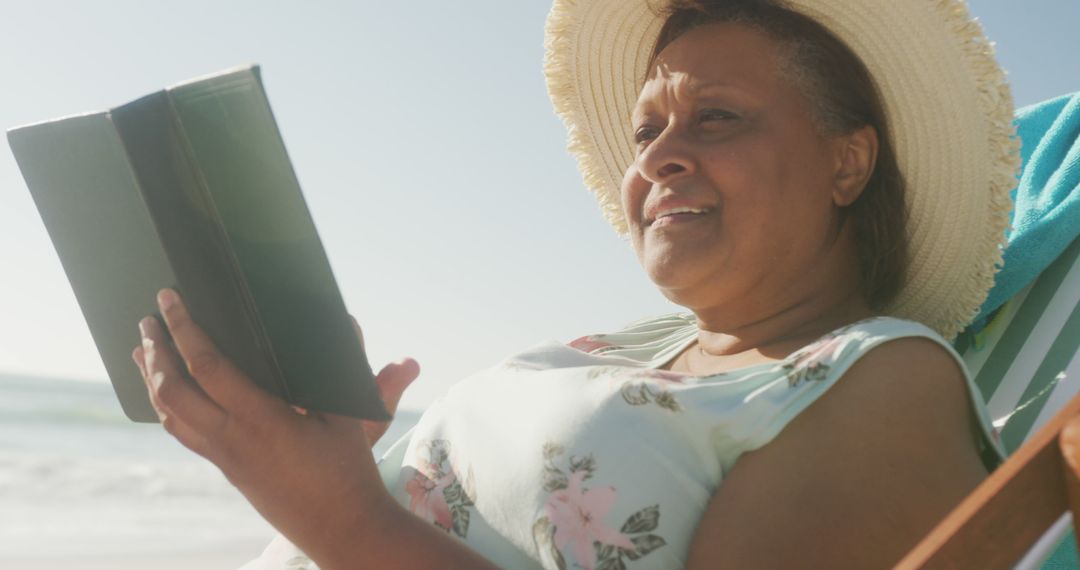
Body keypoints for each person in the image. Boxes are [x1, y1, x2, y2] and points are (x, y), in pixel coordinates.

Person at [131, 0, 1020, 567]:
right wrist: (337, 454)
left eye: (716, 118)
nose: (661, 156)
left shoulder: (881, 382)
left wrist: (339, 514)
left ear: (847, 163)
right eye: (645, 133)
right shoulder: (621, 350)